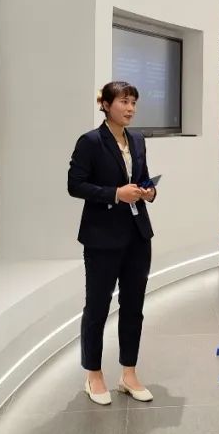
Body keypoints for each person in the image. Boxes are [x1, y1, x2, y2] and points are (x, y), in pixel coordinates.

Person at [67, 81, 158, 406]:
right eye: (123, 102)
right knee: (97, 307)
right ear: (105, 105)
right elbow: (75, 185)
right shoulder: (91, 141)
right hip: (102, 237)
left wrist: (149, 191)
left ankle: (128, 374)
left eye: (133, 102)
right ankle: (93, 374)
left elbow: (142, 176)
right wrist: (115, 194)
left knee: (134, 307)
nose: (130, 108)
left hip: (137, 234)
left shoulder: (137, 139)